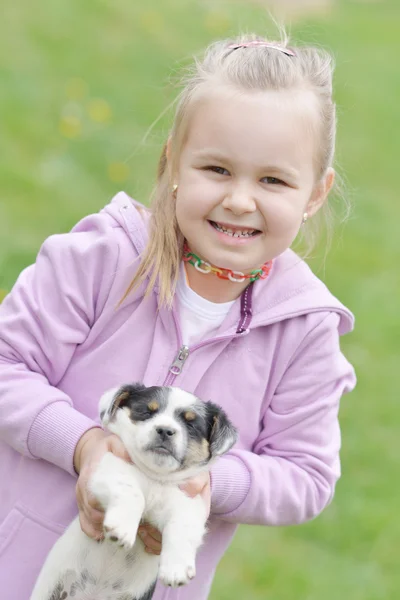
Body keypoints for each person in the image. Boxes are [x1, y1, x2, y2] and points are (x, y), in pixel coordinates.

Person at [0, 33, 356, 600]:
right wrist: (84, 444)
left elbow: (306, 475)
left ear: (315, 193)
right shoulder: (101, 260)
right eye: (216, 169)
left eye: (273, 180)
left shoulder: (304, 330)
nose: (240, 200)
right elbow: (7, 365)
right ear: (172, 162)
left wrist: (209, 481)